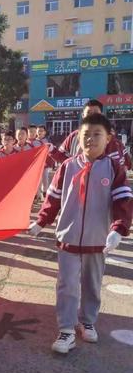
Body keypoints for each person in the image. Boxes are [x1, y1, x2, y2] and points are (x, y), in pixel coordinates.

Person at [28, 114, 133, 354]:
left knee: (92, 284)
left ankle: (87, 321)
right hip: (68, 237)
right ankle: (66, 329)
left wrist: (118, 229)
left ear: (108, 139)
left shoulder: (114, 168)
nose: (91, 139)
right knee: (66, 285)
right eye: (86, 135)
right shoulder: (67, 166)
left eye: (97, 134)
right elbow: (53, 198)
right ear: (78, 138)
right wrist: (41, 222)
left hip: (98, 240)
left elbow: (123, 201)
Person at [37, 125, 56, 198]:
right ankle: (37, 195)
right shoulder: (34, 142)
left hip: (46, 163)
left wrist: (52, 162)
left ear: (45, 132)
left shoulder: (48, 141)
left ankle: (45, 194)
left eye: (41, 131)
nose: (40, 132)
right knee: (38, 181)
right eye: (38, 131)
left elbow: (52, 151)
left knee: (45, 179)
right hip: (37, 164)